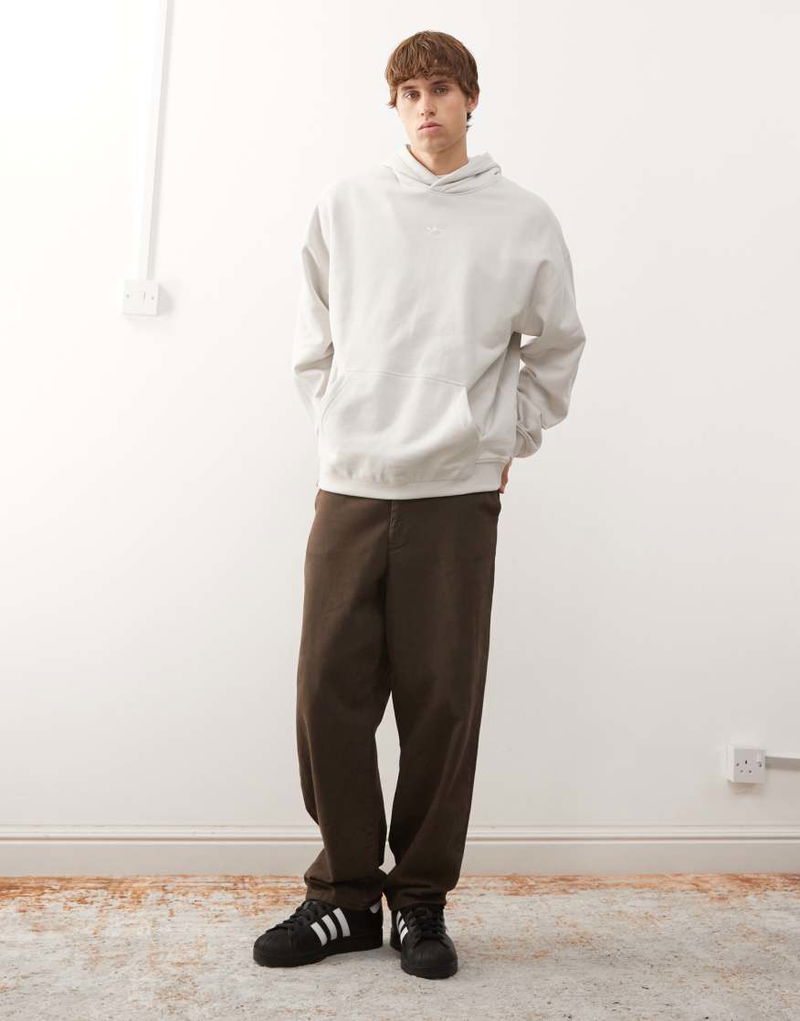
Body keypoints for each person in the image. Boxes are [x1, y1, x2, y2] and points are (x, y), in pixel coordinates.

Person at [253, 29, 586, 981]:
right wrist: (340, 428)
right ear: (393, 106)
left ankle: (421, 898)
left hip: (455, 494)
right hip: (353, 485)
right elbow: (312, 334)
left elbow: (558, 343)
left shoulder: (522, 219)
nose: (426, 106)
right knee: (328, 693)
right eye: (408, 92)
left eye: (441, 88)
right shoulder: (347, 206)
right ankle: (345, 895)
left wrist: (503, 437)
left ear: (471, 98)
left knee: (442, 701)